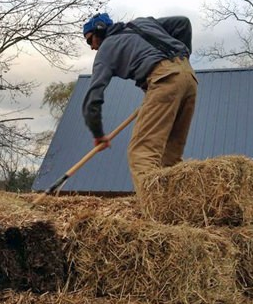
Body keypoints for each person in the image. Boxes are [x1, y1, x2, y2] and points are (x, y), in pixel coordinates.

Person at [81, 12, 197, 188]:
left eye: (90, 40)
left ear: (100, 31)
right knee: (171, 156)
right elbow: (183, 23)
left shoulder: (106, 49)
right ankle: (176, 209)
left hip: (163, 80)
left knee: (142, 153)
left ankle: (154, 211)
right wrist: (183, 57)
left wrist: (98, 134)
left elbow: (92, 98)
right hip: (189, 78)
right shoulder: (144, 22)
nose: (91, 47)